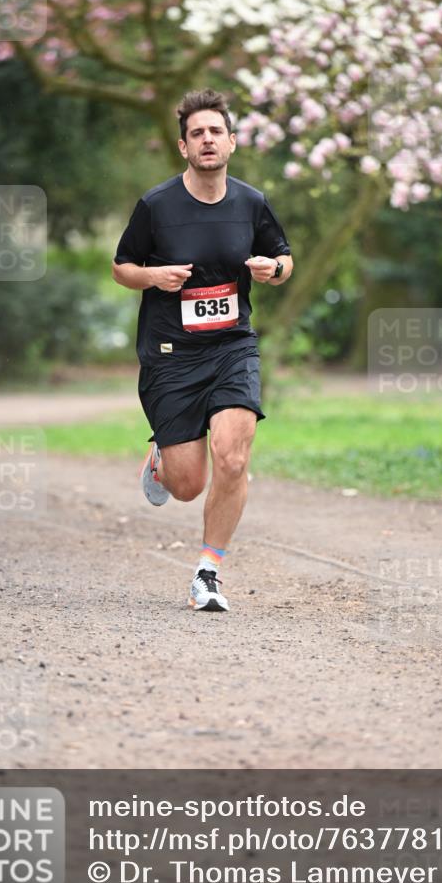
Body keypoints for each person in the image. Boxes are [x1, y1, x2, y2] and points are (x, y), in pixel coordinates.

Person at [112, 89, 293, 612]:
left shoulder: (251, 202)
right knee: (189, 485)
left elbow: (283, 257)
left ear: (232, 142)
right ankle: (162, 461)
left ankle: (208, 572)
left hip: (234, 345)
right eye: (197, 134)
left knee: (232, 458)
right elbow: (121, 267)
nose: (207, 140)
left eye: (216, 131)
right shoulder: (156, 206)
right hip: (171, 353)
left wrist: (273, 270)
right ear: (183, 146)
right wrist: (153, 276)